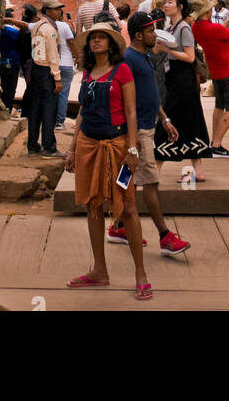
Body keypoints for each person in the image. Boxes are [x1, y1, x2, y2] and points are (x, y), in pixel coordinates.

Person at [64, 23, 152, 300]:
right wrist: (71, 147)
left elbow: (131, 111)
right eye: (93, 38)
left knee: (128, 208)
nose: (97, 41)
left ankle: (141, 273)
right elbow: (81, 113)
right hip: (88, 144)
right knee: (93, 204)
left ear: (111, 44)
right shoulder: (88, 73)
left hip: (117, 145)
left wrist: (133, 148)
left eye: (102, 37)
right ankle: (99, 270)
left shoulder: (122, 71)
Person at [106, 11, 191, 257]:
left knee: (127, 180)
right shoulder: (128, 60)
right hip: (138, 130)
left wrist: (164, 119)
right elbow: (124, 96)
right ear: (138, 35)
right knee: (151, 183)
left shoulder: (144, 57)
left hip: (149, 124)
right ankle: (165, 236)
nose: (155, 34)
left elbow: (150, 92)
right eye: (151, 30)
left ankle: (119, 226)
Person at [153, 0, 211, 182]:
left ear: (179, 7)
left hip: (183, 81)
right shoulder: (170, 28)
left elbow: (190, 57)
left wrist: (166, 49)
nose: (166, 5)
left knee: (167, 122)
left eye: (170, 2)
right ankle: (198, 172)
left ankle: (155, 171)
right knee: (190, 122)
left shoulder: (184, 28)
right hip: (175, 79)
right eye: (166, 2)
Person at [190, 0, 229, 157]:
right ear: (206, 11)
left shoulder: (195, 28)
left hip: (216, 71)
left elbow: (220, 33)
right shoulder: (213, 28)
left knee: (220, 105)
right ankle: (217, 143)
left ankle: (214, 140)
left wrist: (227, 23)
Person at [26, 0, 63, 157]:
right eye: (56, 9)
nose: (59, 11)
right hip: (46, 70)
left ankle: (33, 145)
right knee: (49, 109)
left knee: (35, 109)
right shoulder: (49, 29)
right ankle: (49, 147)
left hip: (36, 70)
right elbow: (53, 55)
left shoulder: (37, 26)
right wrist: (57, 78)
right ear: (48, 11)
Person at [49, 2, 77, 129]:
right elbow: (71, 43)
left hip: (50, 64)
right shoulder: (65, 26)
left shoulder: (45, 25)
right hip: (65, 63)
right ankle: (59, 122)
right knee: (63, 93)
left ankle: (48, 118)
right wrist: (77, 56)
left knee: (51, 92)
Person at [0, 7, 21, 115]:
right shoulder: (14, 32)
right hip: (10, 62)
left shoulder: (0, 30)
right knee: (10, 86)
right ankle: (7, 108)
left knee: (3, 85)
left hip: (3, 60)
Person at [18, 2, 37, 119]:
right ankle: (26, 112)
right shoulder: (30, 31)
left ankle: (27, 111)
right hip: (30, 62)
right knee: (31, 87)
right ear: (34, 17)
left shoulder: (22, 30)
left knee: (30, 86)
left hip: (23, 61)